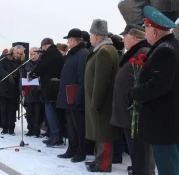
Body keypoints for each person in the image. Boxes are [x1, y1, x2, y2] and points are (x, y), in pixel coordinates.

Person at [130, 6, 179, 175]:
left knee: (167, 165)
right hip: (167, 119)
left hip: (163, 121)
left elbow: (159, 85)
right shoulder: (170, 46)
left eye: (146, 29)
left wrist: (135, 92)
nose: (145, 33)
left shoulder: (165, 50)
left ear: (155, 31)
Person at [110, 23, 156, 175]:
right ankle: (138, 170)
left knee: (140, 149)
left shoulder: (143, 52)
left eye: (125, 36)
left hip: (135, 112)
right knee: (135, 150)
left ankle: (142, 171)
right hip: (129, 110)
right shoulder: (134, 52)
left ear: (134, 38)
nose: (123, 40)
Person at [84, 19, 121, 172]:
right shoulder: (102, 49)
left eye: (92, 34)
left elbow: (101, 81)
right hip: (98, 101)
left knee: (104, 134)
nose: (91, 37)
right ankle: (98, 159)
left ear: (98, 35)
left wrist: (96, 103)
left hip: (101, 102)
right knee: (99, 133)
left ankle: (104, 164)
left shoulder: (105, 51)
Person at [56, 28, 90, 162]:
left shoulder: (82, 54)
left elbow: (82, 78)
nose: (68, 43)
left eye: (69, 40)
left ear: (73, 40)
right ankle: (72, 149)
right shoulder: (73, 54)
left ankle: (81, 152)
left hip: (76, 98)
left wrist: (78, 97)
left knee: (79, 127)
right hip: (68, 97)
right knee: (71, 126)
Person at [29, 38, 64, 147]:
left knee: (50, 112)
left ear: (44, 45)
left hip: (49, 87)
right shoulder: (58, 53)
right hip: (58, 86)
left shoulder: (47, 54)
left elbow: (41, 68)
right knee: (56, 113)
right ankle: (56, 136)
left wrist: (32, 74)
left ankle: (55, 136)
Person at [0, 45, 25, 135]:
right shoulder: (4, 58)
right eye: (17, 53)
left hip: (14, 88)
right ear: (13, 51)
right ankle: (4, 127)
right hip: (3, 87)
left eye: (20, 54)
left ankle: (11, 128)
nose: (18, 55)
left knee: (12, 110)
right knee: (3, 109)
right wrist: (8, 76)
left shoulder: (21, 62)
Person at [23, 47, 43, 137]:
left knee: (37, 113)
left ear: (39, 54)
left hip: (38, 92)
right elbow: (22, 77)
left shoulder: (42, 64)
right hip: (28, 91)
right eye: (31, 54)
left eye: (35, 54)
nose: (33, 56)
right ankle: (30, 129)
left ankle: (37, 130)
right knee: (29, 112)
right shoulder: (26, 64)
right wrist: (22, 89)